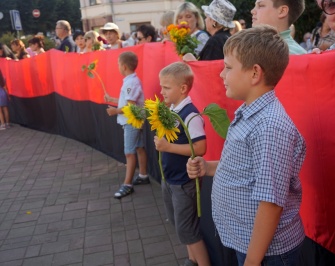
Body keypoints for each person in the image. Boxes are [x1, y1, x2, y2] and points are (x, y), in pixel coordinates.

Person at [187, 25, 306, 266]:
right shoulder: (249, 112)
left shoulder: (270, 127)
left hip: (268, 253)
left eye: (228, 67)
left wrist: (252, 262)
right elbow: (245, 168)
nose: (222, 74)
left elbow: (271, 203)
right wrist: (208, 168)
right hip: (250, 244)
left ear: (254, 74)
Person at [155, 62, 210, 266]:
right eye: (162, 86)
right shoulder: (172, 109)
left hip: (184, 182)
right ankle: (192, 259)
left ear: (183, 89)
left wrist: (167, 147)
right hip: (170, 179)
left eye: (166, 87)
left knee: (188, 229)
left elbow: (201, 147)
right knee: (181, 226)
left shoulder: (190, 114)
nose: (162, 91)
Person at [104, 51, 149, 198]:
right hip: (134, 121)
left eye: (118, 64)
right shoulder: (131, 81)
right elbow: (127, 101)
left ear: (123, 66)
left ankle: (127, 184)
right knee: (139, 147)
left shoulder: (131, 82)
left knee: (129, 153)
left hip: (131, 122)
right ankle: (143, 175)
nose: (117, 67)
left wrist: (116, 111)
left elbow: (130, 107)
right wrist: (112, 98)